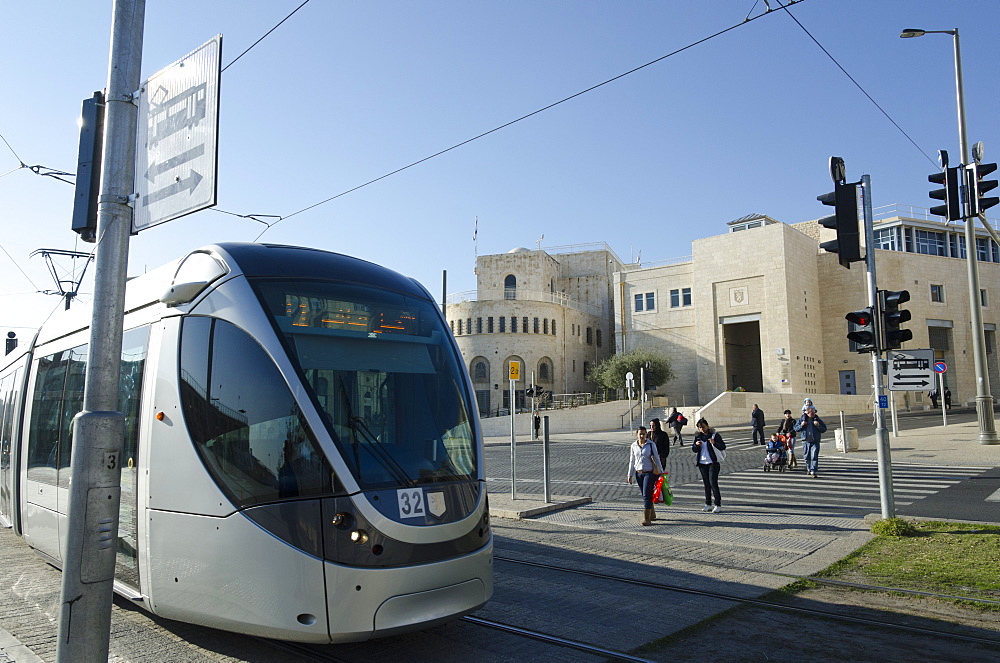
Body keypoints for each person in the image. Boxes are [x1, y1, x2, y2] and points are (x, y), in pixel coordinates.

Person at [626, 426, 663, 526]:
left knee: (646, 495)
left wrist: (662, 472)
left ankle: (647, 518)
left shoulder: (651, 444)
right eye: (640, 434)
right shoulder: (633, 445)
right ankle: (652, 513)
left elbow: (657, 458)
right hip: (639, 473)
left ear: (646, 434)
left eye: (644, 434)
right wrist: (630, 474)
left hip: (649, 473)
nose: (642, 436)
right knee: (645, 495)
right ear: (636, 434)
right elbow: (632, 461)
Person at [692, 418, 726, 513]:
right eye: (699, 427)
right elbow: (694, 450)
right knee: (706, 484)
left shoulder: (715, 435)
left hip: (713, 462)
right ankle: (708, 504)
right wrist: (696, 445)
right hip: (702, 463)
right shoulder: (698, 437)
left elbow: (723, 446)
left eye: (703, 427)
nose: (702, 429)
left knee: (713, 483)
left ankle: (717, 504)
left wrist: (714, 443)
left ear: (707, 426)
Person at [794, 405, 827, 478]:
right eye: (810, 413)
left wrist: (818, 425)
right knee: (806, 456)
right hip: (805, 441)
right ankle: (808, 468)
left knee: (814, 456)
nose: (812, 414)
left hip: (815, 441)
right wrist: (801, 425)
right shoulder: (802, 420)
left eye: (813, 412)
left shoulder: (817, 420)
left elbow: (824, 429)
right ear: (807, 413)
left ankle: (813, 471)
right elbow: (796, 428)